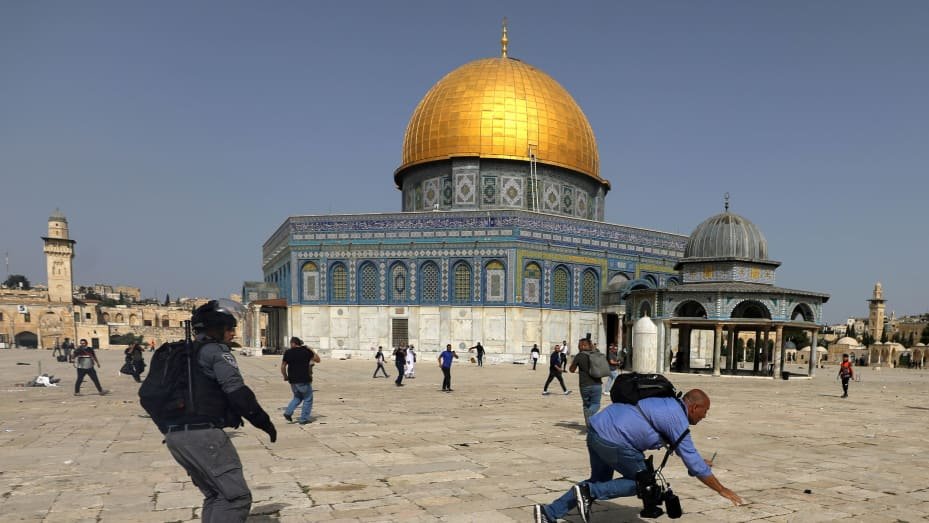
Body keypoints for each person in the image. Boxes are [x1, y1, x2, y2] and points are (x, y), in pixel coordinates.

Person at [533, 389, 744, 523]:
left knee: (600, 481)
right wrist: (722, 489)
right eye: (704, 411)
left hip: (597, 430)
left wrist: (696, 463)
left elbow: (686, 453)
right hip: (615, 441)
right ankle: (588, 492)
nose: (705, 416)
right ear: (694, 407)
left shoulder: (667, 402)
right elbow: (695, 464)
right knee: (646, 484)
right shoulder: (677, 418)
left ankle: (548, 513)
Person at [162, 300, 276, 523]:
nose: (233, 333)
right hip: (203, 435)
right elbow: (237, 392)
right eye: (229, 329)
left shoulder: (182, 354)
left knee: (216, 495)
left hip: (176, 435)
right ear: (217, 330)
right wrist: (263, 421)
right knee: (236, 498)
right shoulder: (215, 352)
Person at [281, 336, 319, 425]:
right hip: (304, 379)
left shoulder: (288, 352)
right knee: (308, 398)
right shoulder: (306, 351)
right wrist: (311, 350)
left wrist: (285, 376)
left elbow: (283, 366)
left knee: (297, 397)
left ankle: (288, 412)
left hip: (293, 380)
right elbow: (317, 360)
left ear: (293, 343)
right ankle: (303, 419)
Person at [569, 337, 603, 426]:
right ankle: (589, 423)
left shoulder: (579, 356)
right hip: (596, 384)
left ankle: (589, 424)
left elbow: (572, 370)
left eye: (579, 345)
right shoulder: (596, 354)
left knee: (586, 406)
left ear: (583, 346)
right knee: (596, 404)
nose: (578, 347)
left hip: (584, 385)